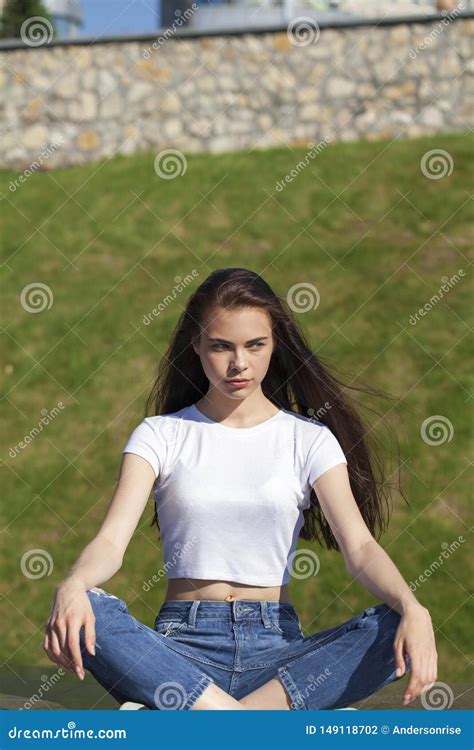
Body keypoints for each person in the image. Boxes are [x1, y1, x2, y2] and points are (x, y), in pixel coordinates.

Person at [42, 268, 437, 710]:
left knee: (394, 623)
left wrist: (411, 604)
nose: (239, 364)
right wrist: (75, 583)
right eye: (220, 346)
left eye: (255, 345)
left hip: (278, 655)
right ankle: (248, 723)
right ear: (196, 346)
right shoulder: (160, 434)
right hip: (180, 652)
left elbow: (360, 546)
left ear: (275, 344)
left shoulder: (309, 439)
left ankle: (213, 717)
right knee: (87, 609)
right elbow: (112, 541)